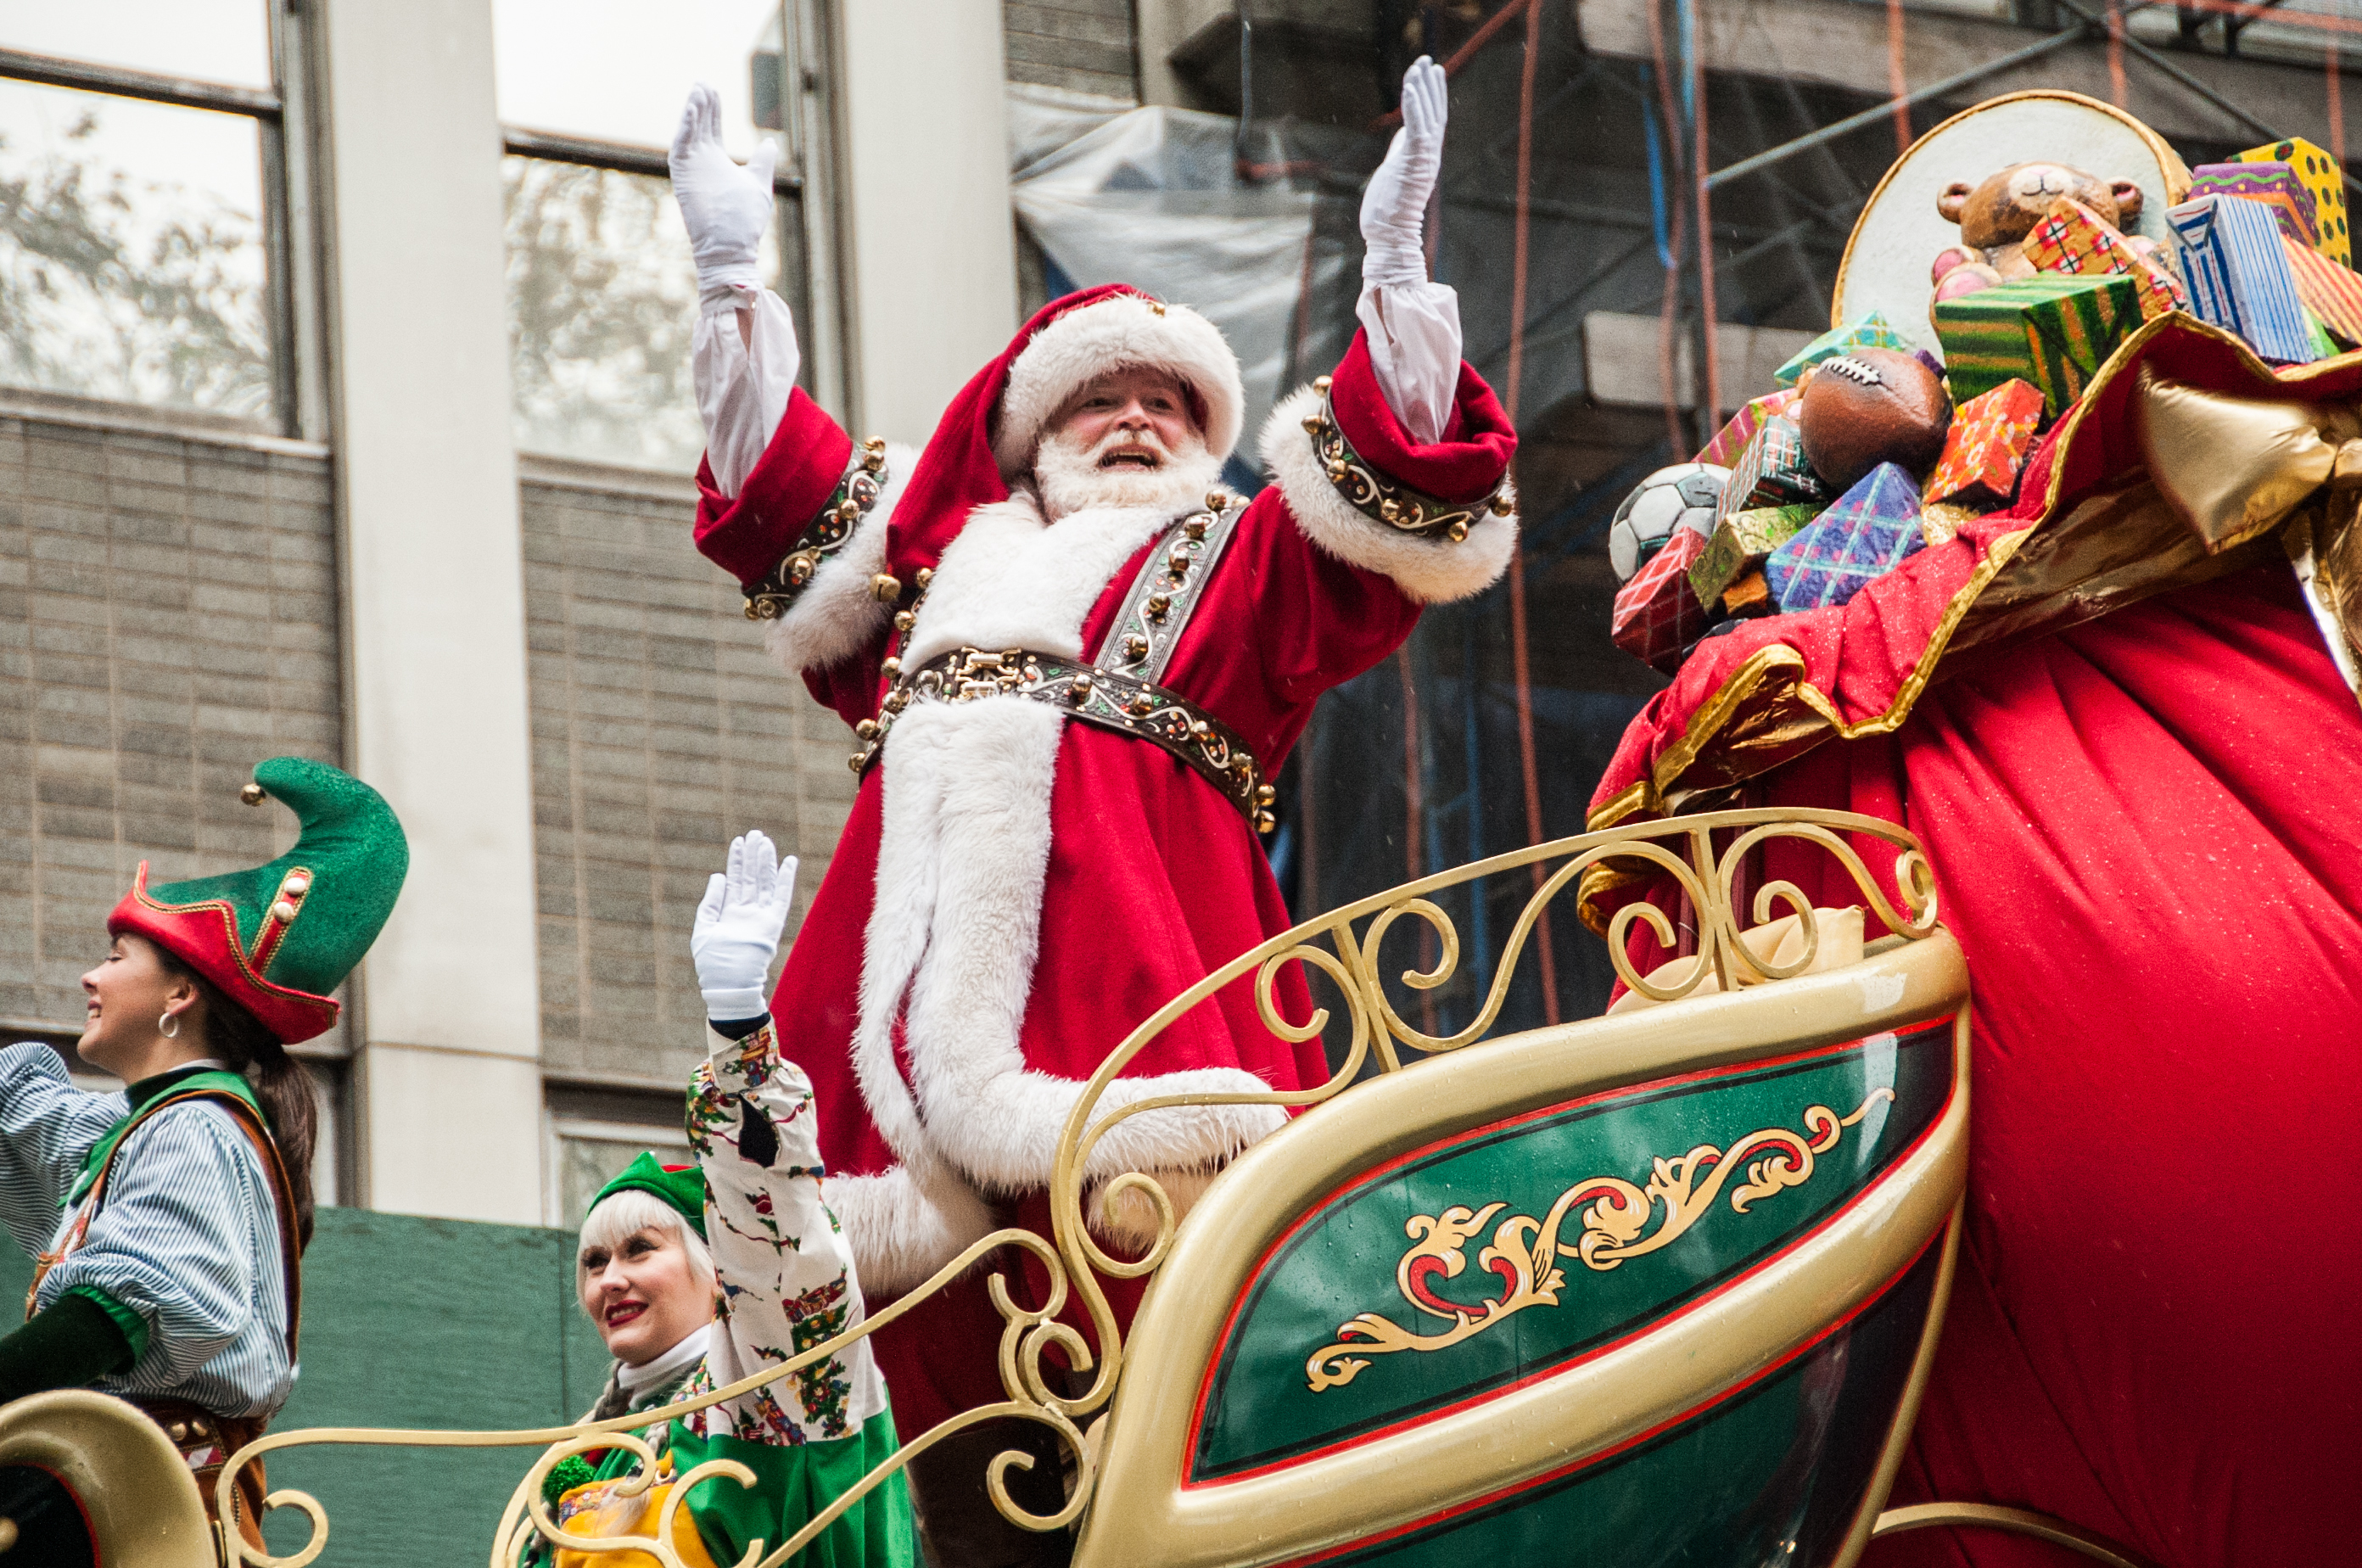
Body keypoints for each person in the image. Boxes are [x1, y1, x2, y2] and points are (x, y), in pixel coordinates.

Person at [669, 57, 1515, 1561]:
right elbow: (783, 500)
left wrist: (1397, 287)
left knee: (1168, 1409)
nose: (1131, 420)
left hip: (1134, 1063)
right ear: (1030, 436)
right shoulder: (933, 584)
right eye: (1099, 399)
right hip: (884, 1112)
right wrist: (734, 284)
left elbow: (1397, 488)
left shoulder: (1238, 568)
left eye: (1165, 402)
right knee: (877, 1449)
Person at [0, 756, 408, 1546]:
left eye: (117, 956)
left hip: (139, 1514)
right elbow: (26, 1115)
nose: (90, 975)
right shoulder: (151, 1129)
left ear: (180, 996)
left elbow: (120, 1311)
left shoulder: (193, 1131)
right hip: (124, 1497)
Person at [535, 831, 915, 1568]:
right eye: (592, 1260)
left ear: (719, 1266)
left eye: (641, 1248)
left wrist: (738, 1029)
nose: (609, 1278)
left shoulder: (769, 1387)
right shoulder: (588, 1449)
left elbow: (784, 1253)